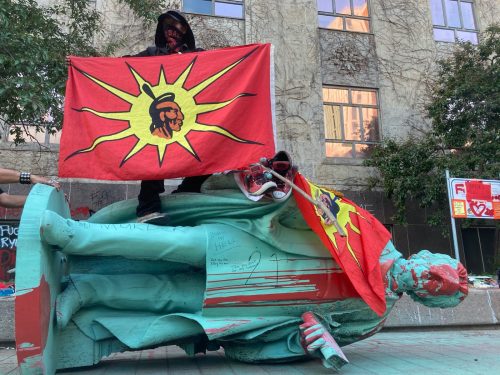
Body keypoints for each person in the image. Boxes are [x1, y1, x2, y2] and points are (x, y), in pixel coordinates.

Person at [130, 10, 210, 224]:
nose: (172, 32)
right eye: (167, 27)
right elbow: (120, 67)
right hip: (160, 121)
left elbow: (224, 67)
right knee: (154, 158)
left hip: (190, 121)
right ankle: (147, 209)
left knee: (209, 156)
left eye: (177, 28)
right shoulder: (151, 54)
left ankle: (184, 194)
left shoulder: (198, 55)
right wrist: (81, 66)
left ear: (185, 31)